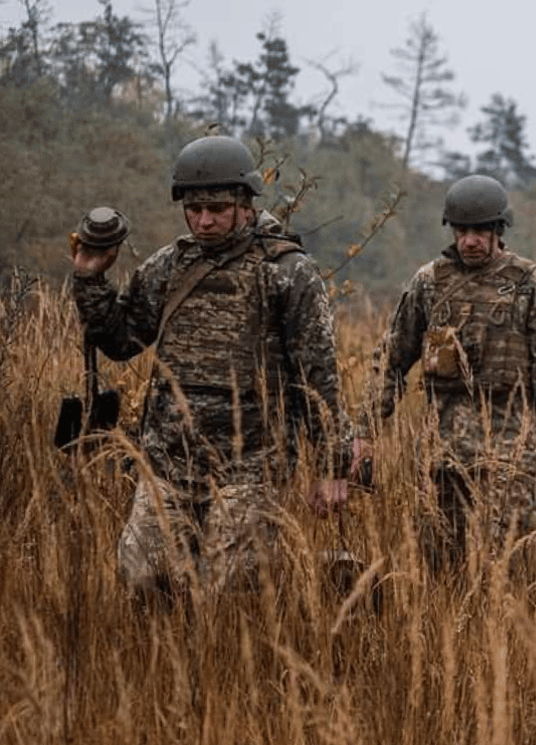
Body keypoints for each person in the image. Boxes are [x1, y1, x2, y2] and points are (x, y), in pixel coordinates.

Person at [71, 135, 351, 606]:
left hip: (251, 464)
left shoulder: (287, 271)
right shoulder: (170, 264)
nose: (204, 220)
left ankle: (285, 608)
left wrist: (332, 467)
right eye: (194, 208)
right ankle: (162, 673)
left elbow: (317, 376)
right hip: (168, 459)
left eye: (217, 208)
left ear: (245, 203)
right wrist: (91, 277)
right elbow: (121, 341)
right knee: (143, 576)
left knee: (228, 594)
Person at [354, 174, 536, 568]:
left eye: (479, 231)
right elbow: (390, 361)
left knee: (506, 567)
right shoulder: (429, 283)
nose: (470, 240)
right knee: (439, 565)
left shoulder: (529, 285)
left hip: (511, 457)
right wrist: (366, 433)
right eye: (462, 230)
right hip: (442, 454)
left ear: (497, 231)